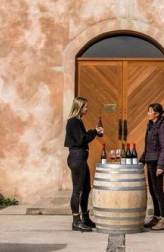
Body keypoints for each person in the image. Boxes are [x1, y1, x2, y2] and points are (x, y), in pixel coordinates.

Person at [64, 96, 103, 232]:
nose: (87, 108)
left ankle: (85, 218)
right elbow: (81, 140)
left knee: (86, 189)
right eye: (85, 106)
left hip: (80, 158)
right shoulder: (73, 122)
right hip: (76, 157)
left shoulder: (78, 121)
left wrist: (93, 132)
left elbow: (82, 137)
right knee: (77, 190)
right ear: (79, 107)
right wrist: (94, 132)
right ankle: (76, 221)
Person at [139, 102, 164, 231]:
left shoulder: (162, 128)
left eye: (150, 111)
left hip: (157, 163)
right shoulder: (150, 126)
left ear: (156, 114)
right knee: (152, 191)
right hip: (150, 161)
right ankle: (156, 217)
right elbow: (147, 147)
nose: (148, 113)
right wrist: (142, 161)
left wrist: (161, 165)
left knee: (158, 192)